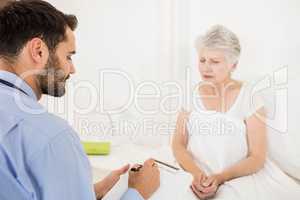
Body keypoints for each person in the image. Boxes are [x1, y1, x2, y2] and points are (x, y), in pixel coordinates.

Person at [0, 1, 160, 200]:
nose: (72, 69)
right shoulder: (52, 137)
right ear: (38, 51)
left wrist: (88, 192)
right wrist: (138, 192)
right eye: (68, 56)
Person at [172, 25, 300, 199]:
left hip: (236, 177)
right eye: (202, 60)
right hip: (194, 174)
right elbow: (178, 144)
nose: (206, 68)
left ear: (233, 64)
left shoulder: (250, 97)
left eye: (215, 61)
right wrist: (196, 174)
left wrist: (220, 178)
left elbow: (257, 157)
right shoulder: (190, 94)